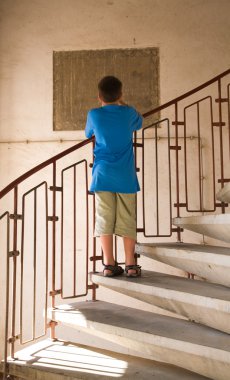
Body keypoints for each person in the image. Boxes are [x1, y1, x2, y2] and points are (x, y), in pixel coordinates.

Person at [85, 76, 143, 277]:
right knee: (127, 217)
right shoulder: (128, 113)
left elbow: (87, 133)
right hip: (125, 175)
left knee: (104, 218)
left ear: (99, 96)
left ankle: (109, 265)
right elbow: (139, 122)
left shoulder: (94, 114)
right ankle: (130, 265)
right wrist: (122, 103)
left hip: (102, 175)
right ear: (120, 94)